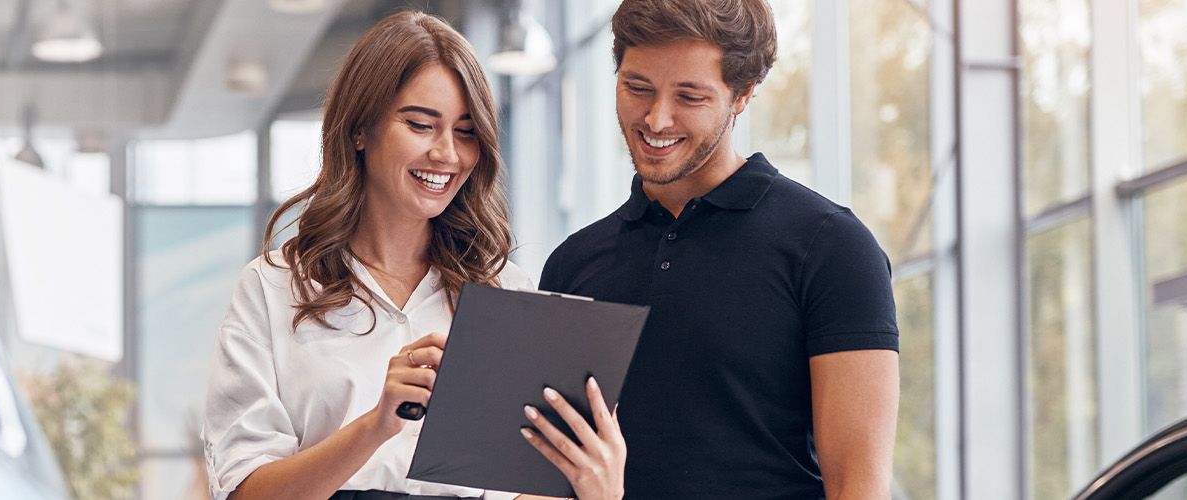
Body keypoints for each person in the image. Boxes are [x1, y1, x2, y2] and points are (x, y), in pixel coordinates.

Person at [200, 10, 625, 500]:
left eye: (466, 132)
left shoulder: (506, 292)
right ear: (360, 130)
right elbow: (242, 492)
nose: (447, 153)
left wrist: (598, 490)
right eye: (422, 124)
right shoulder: (274, 289)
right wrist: (376, 425)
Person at [533, 0, 901, 498]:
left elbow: (858, 487)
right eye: (637, 87)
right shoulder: (574, 263)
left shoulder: (832, 248)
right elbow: (547, 474)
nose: (656, 119)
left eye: (689, 96)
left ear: (743, 94)